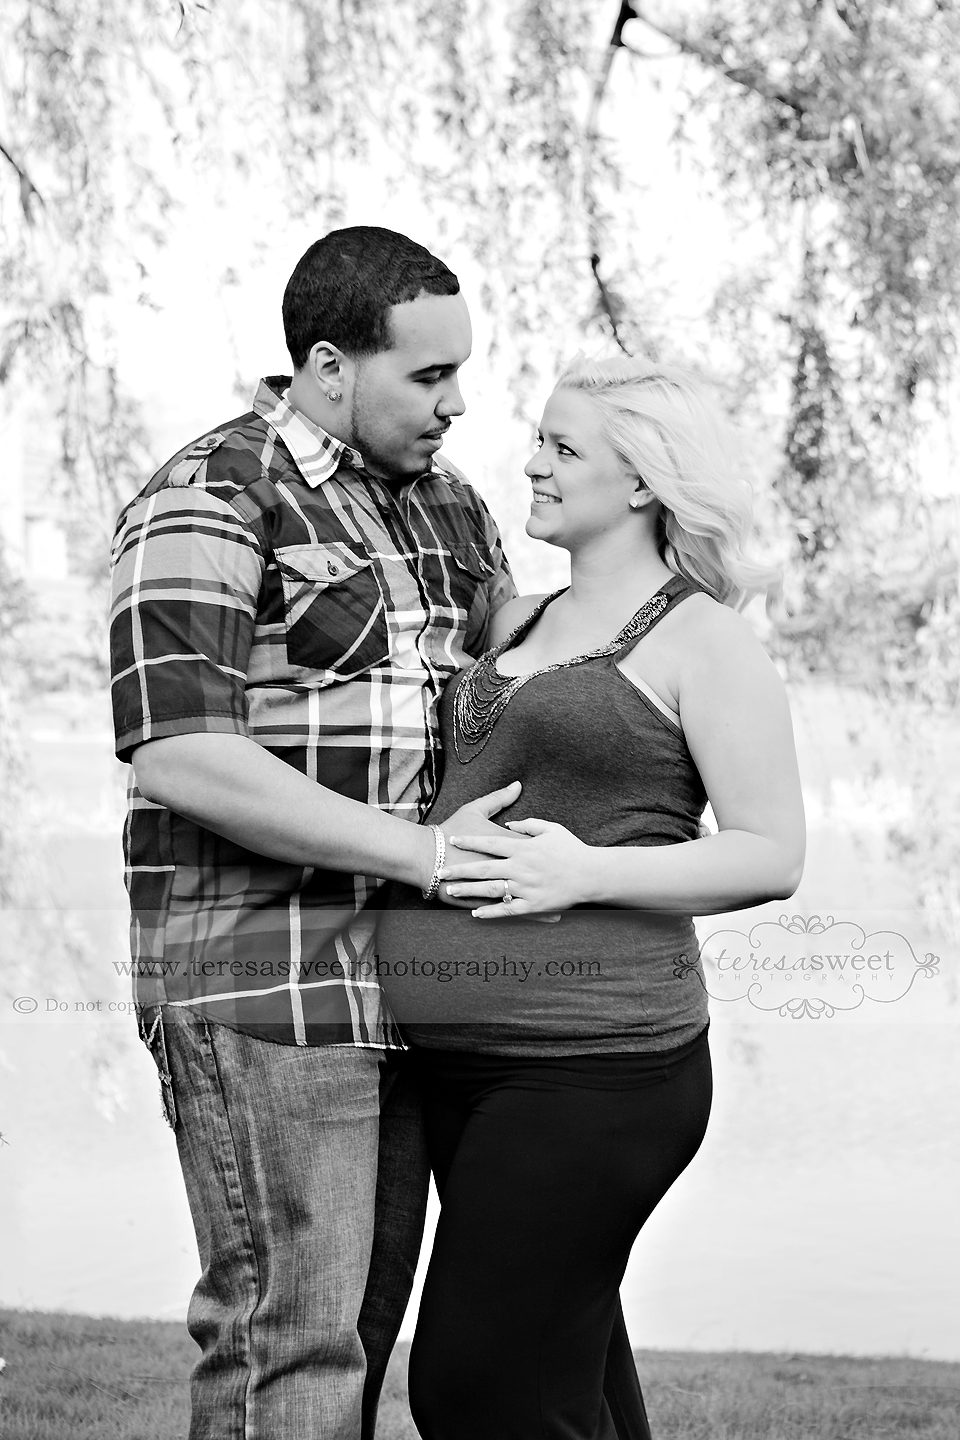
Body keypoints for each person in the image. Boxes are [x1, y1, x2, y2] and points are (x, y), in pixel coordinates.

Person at [107, 225, 522, 1440]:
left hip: (414, 990)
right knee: (287, 1345)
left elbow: (519, 672)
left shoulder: (452, 505)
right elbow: (179, 751)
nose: (457, 403)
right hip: (263, 985)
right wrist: (425, 855)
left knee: (354, 1345)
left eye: (460, 372)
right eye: (429, 375)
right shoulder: (211, 493)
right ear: (330, 368)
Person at [375, 354, 806, 1439]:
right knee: (566, 1384)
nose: (533, 463)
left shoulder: (704, 640)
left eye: (564, 448)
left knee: (475, 1387)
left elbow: (771, 854)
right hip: (459, 1069)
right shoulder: (517, 621)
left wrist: (588, 871)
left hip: (595, 1070)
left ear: (645, 481)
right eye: (539, 438)